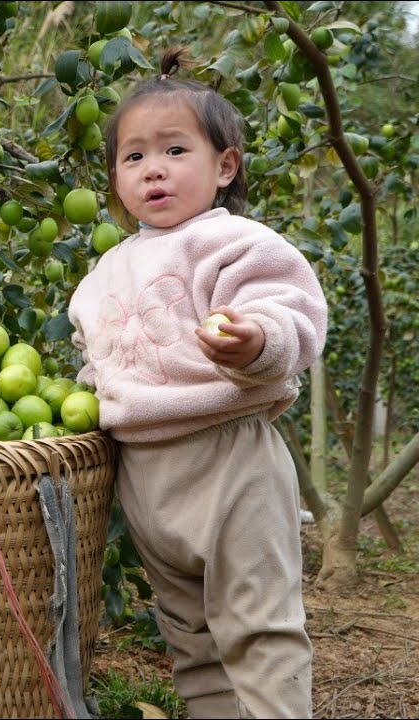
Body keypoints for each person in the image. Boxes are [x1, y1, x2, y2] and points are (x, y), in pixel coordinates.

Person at [67, 49, 327, 718]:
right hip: (144, 471)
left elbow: (291, 310)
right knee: (189, 633)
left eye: (175, 150)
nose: (152, 168)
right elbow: (95, 354)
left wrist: (256, 340)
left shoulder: (235, 242)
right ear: (115, 179)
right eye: (133, 157)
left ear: (225, 166)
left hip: (229, 458)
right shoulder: (103, 272)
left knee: (260, 629)